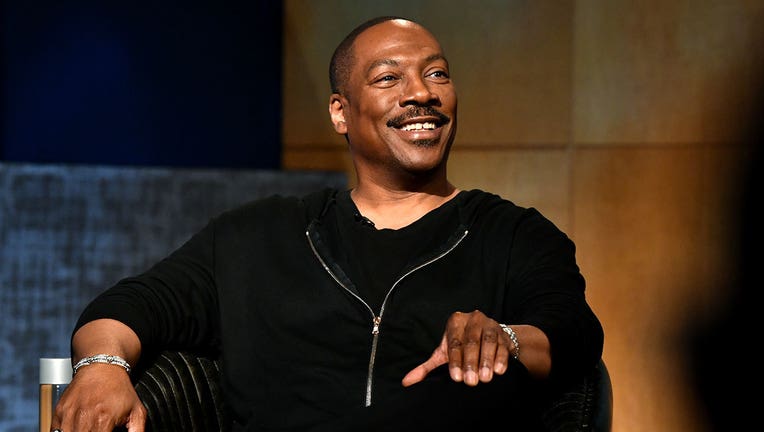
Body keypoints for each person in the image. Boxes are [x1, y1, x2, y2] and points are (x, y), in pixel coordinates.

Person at [51, 16, 604, 432]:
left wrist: (505, 338)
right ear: (341, 112)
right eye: (389, 78)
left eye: (437, 74)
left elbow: (572, 335)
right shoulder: (258, 236)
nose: (422, 93)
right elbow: (133, 305)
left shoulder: (513, 234)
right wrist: (101, 366)